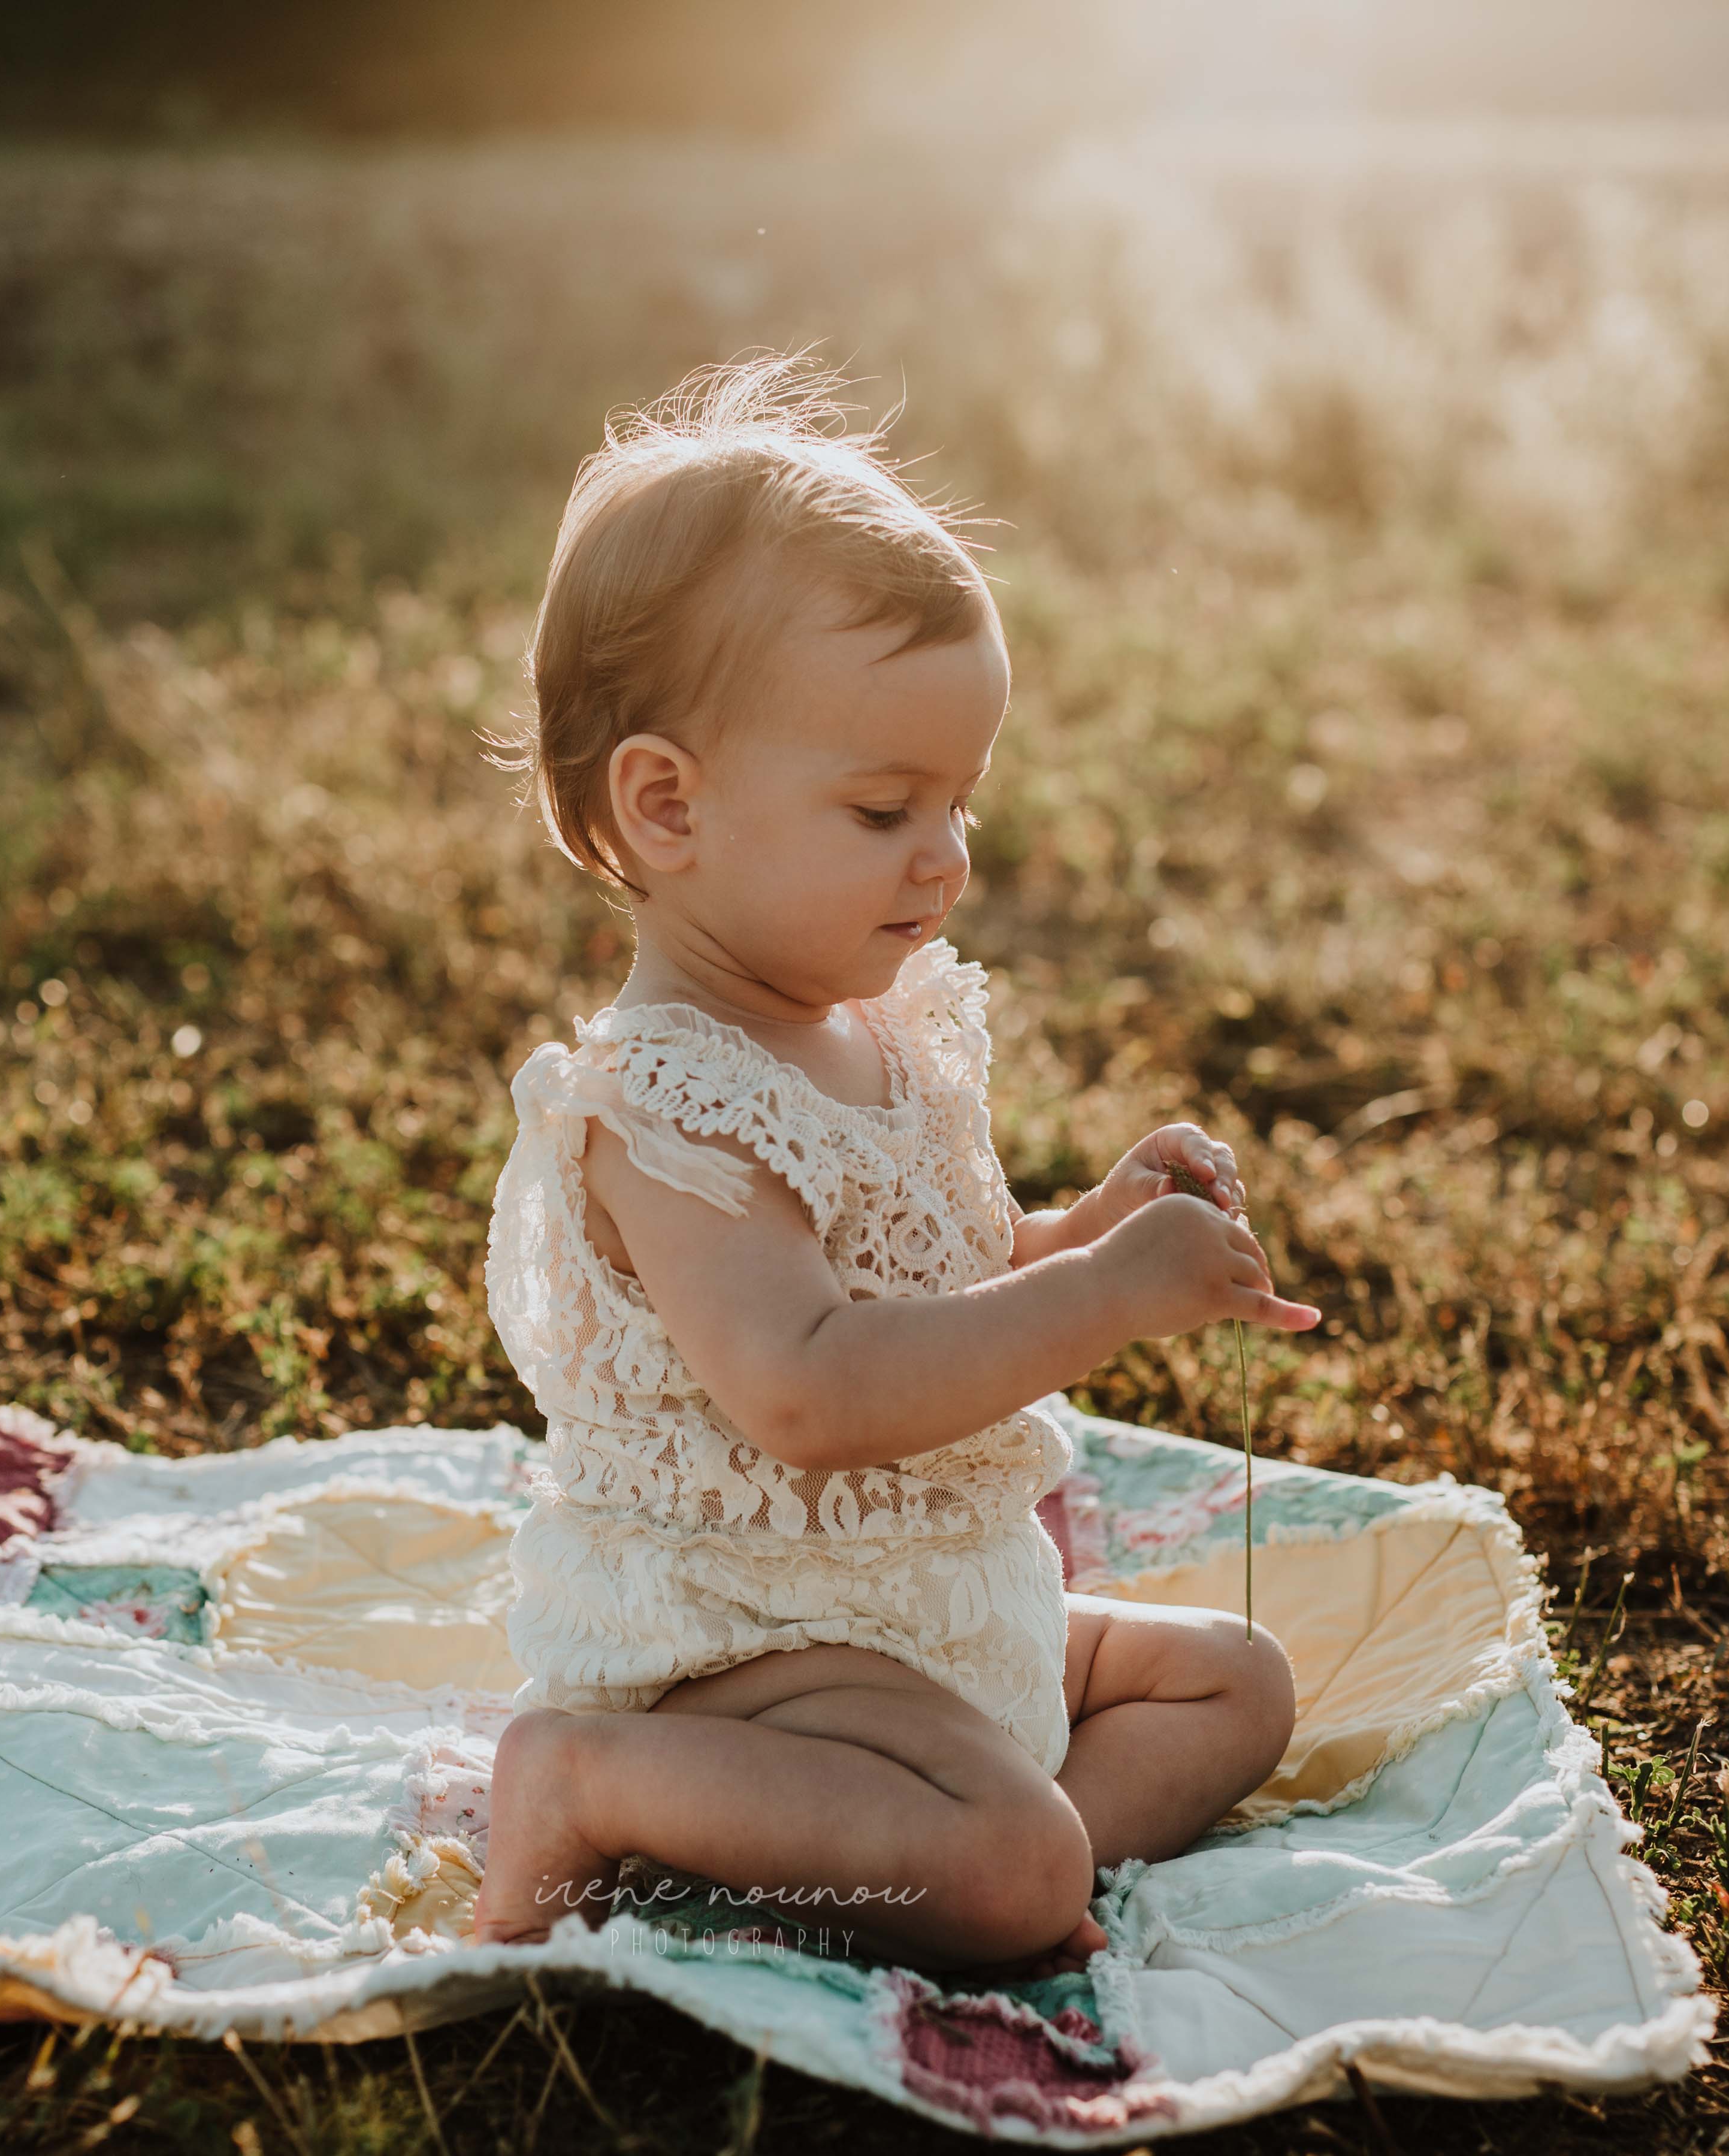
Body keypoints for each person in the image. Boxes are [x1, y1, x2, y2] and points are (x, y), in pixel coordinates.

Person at [472, 353, 1322, 1976]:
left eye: (960, 801)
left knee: (1237, 1682)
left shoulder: (884, 1027)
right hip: (759, 1644)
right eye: (882, 808)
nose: (945, 856)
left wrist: (1087, 1223)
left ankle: (984, 1849)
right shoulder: (665, 1110)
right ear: (667, 806)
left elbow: (941, 1272)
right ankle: (599, 1784)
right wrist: (1100, 1298)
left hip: (937, 1603)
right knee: (1014, 1872)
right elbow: (812, 1388)